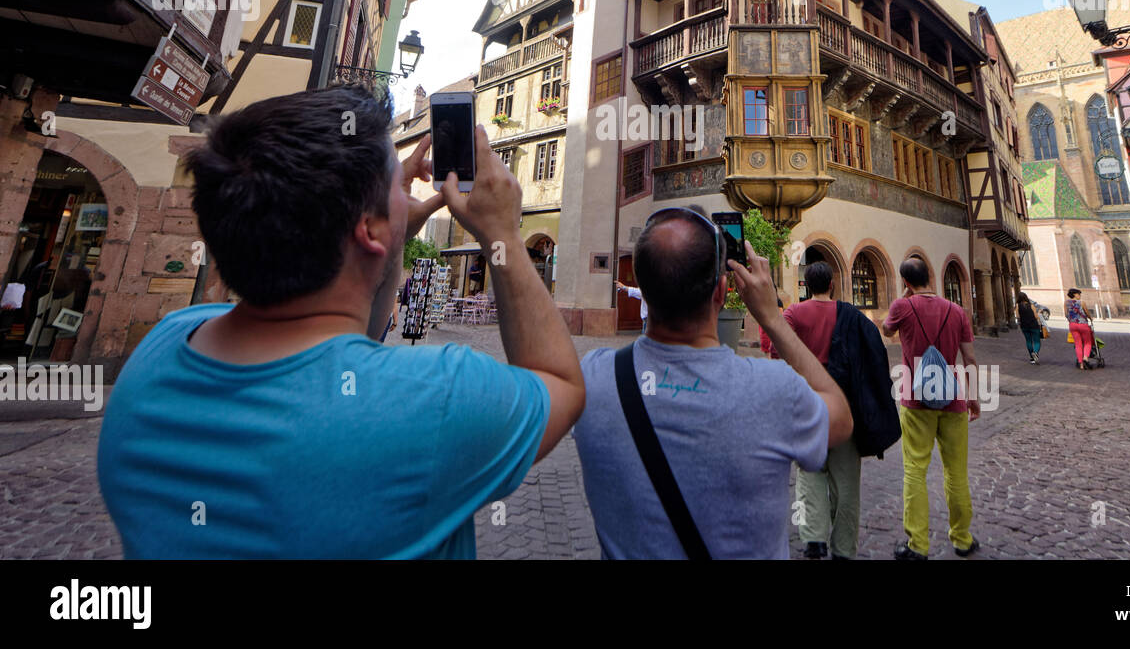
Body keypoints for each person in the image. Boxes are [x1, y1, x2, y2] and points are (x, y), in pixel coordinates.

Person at [97, 85, 585, 558]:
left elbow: (347, 337)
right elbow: (561, 383)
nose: (404, 190)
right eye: (394, 182)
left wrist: (389, 232)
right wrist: (503, 235)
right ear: (367, 229)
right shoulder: (436, 396)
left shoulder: (163, 348)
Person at [573, 208, 853, 558]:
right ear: (722, 291)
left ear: (642, 290)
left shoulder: (592, 378)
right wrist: (772, 318)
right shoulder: (774, 389)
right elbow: (841, 419)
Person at [882, 255, 980, 560]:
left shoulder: (902, 307)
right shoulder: (957, 311)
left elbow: (886, 330)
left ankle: (917, 545)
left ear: (907, 283)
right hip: (952, 400)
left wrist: (904, 297)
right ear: (931, 278)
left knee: (914, 470)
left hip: (915, 399)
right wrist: (973, 397)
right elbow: (970, 359)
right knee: (956, 472)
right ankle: (962, 539)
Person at [781, 262, 859, 560]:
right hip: (843, 403)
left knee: (809, 470)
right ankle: (844, 548)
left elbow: (780, 351)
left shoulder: (793, 314)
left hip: (808, 401)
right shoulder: (849, 315)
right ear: (832, 284)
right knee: (847, 479)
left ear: (806, 285)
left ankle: (814, 538)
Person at [1066, 288, 1095, 370]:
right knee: (1087, 343)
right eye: (1079, 294)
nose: (1080, 296)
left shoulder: (1066, 302)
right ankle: (1085, 358)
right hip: (1083, 325)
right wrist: (1090, 318)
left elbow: (1066, 314)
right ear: (1075, 294)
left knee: (1078, 344)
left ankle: (1081, 364)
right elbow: (1087, 312)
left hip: (1072, 325)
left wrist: (1071, 320)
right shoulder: (1082, 302)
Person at [1016, 291, 1043, 364]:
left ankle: (1032, 358)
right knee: (1037, 341)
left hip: (1024, 325)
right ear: (1026, 297)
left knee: (1028, 341)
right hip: (1033, 325)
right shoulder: (1031, 305)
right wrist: (1039, 312)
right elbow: (1036, 316)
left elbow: (1018, 316)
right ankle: (1036, 353)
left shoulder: (1017, 306)